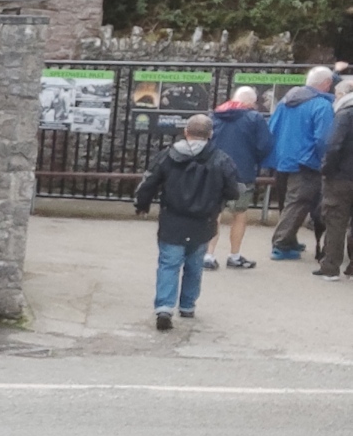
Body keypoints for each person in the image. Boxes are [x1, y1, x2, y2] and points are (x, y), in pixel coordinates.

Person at [134, 112, 240, 331]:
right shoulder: (221, 159)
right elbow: (233, 190)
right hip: (203, 221)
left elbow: (149, 182)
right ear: (210, 134)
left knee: (169, 264)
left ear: (185, 131)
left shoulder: (168, 155)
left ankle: (164, 307)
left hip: (172, 219)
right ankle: (188, 305)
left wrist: (142, 204)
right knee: (194, 265)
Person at [268, 66, 338, 259]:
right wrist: (325, 161)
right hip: (306, 162)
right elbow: (323, 139)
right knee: (298, 203)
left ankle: (289, 240)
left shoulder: (286, 101)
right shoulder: (322, 105)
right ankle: (281, 244)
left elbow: (272, 128)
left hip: (282, 159)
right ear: (326, 84)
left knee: (288, 202)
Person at [205, 85, 272, 269]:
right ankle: (234, 256)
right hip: (242, 172)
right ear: (251, 102)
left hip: (215, 171)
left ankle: (208, 255)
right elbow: (264, 145)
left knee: (214, 214)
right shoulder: (255, 118)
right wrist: (254, 160)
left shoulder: (214, 115)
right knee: (240, 214)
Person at [313, 79, 353, 281]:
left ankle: (331, 267)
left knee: (335, 220)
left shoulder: (345, 114)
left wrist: (326, 170)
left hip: (341, 176)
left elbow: (334, 145)